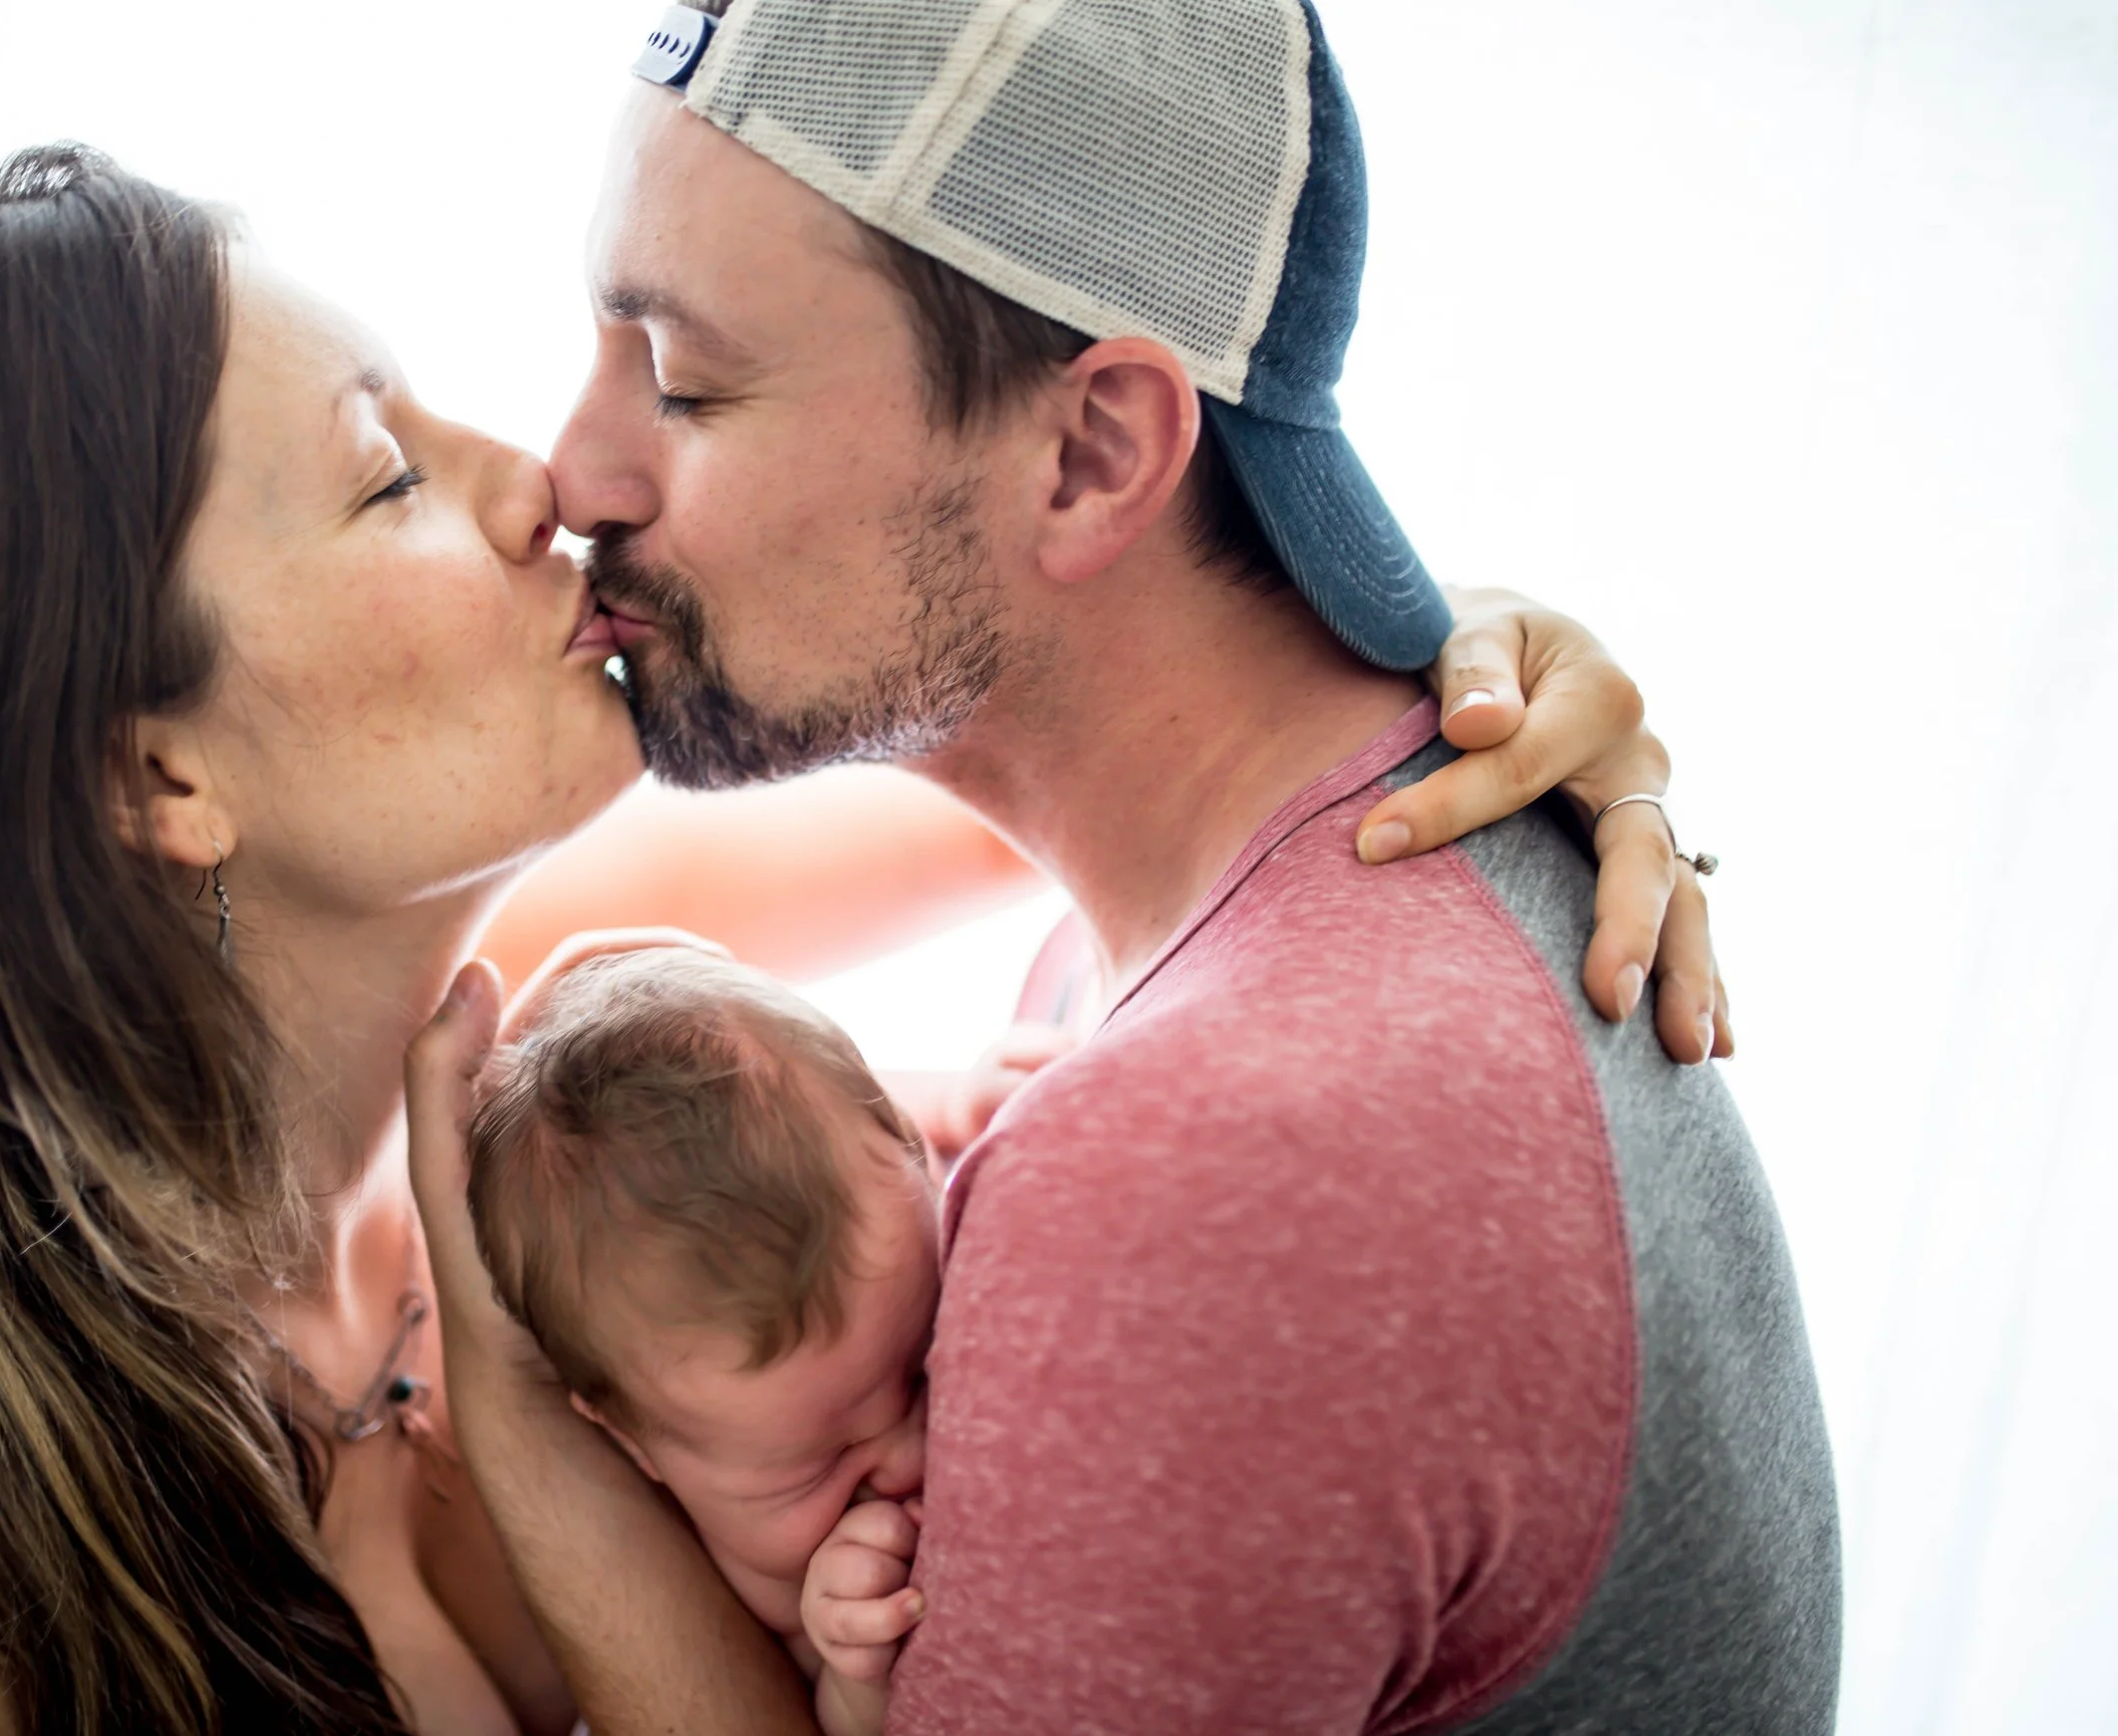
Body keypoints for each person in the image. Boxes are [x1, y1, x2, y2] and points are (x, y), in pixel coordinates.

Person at [0, 142, 1704, 1732]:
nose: (538, 478)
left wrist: (1487, 678)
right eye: (381, 480)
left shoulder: (554, 1045)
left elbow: (1132, 729)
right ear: (154, 781)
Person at [403, 1, 1840, 1732]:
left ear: (1090, 455)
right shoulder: (1206, 941)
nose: (578, 469)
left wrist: (529, 1424)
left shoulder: (1198, 1158)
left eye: (686, 378)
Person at [467, 945, 960, 1736]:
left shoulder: (904, 1207)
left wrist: (963, 1096)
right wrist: (853, 1675)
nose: (909, 1457)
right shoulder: (676, 1611)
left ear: (924, 1167)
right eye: (816, 1469)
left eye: (922, 1362)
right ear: (637, 1447)